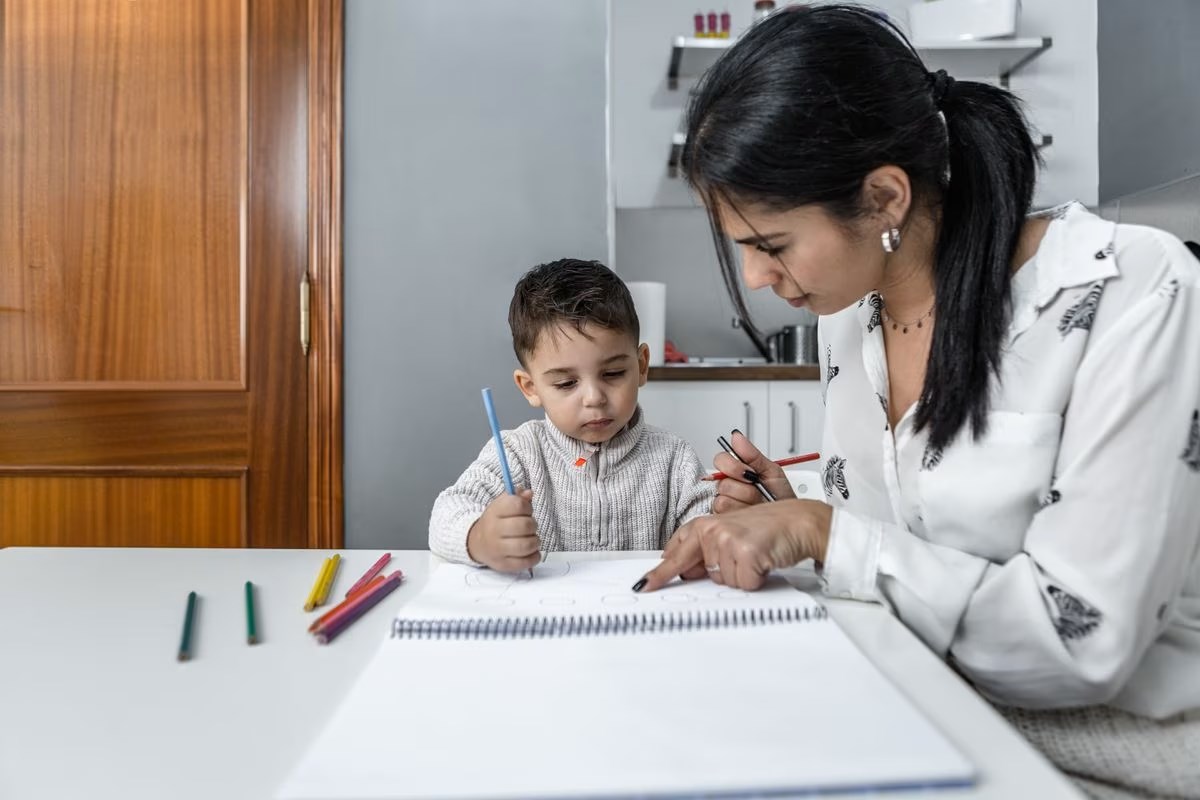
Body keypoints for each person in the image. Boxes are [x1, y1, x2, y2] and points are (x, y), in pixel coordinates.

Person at [632, 5, 1200, 798]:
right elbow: (899, 551)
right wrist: (791, 516)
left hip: (1111, 753)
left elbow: (1086, 643)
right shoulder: (847, 316)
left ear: (885, 198)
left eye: (771, 245)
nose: (757, 280)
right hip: (918, 714)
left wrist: (825, 534)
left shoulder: (1131, 290)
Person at [429, 258, 714, 572]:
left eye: (614, 373)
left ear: (642, 365)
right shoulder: (518, 453)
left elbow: (709, 525)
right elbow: (446, 513)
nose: (594, 398)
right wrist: (480, 538)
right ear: (530, 387)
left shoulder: (675, 458)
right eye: (566, 383)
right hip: (544, 616)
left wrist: (706, 534)